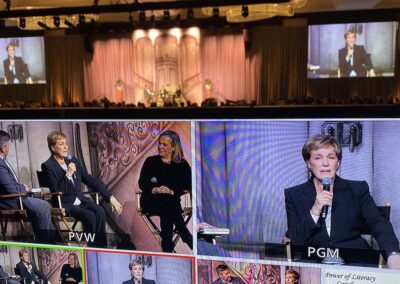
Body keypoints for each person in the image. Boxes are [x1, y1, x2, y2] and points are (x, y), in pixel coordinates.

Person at [285, 134, 400, 268]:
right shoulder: (294, 194)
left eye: (331, 157)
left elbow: (379, 225)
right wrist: (315, 210)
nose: (325, 163)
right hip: (314, 263)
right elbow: (296, 241)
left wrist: (393, 254)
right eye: (318, 157)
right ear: (309, 163)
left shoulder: (357, 189)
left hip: (355, 261)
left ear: (338, 163)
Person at [41, 130, 123, 247]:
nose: (65, 147)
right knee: (89, 215)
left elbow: (90, 180)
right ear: (53, 148)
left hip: (80, 200)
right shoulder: (48, 166)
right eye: (61, 144)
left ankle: (101, 248)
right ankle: (93, 248)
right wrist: (68, 174)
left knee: (100, 211)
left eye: (66, 143)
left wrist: (110, 197)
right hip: (65, 203)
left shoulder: (72, 160)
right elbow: (56, 191)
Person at [138, 130, 192, 252]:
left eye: (164, 145)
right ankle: (185, 235)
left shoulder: (182, 165)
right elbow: (142, 183)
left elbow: (188, 184)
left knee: (167, 204)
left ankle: (167, 245)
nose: (160, 147)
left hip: (170, 204)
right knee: (167, 203)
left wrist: (172, 191)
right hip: (151, 201)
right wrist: (156, 189)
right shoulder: (150, 161)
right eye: (159, 143)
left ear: (173, 147)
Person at [0, 130, 52, 242]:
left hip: (16, 197)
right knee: (44, 206)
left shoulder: (2, 162)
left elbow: (10, 184)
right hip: (11, 201)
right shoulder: (0, 164)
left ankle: (41, 239)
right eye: (8, 146)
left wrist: (22, 186)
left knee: (38, 208)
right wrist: (24, 188)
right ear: (4, 148)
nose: (9, 148)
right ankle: (45, 242)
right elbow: (11, 189)